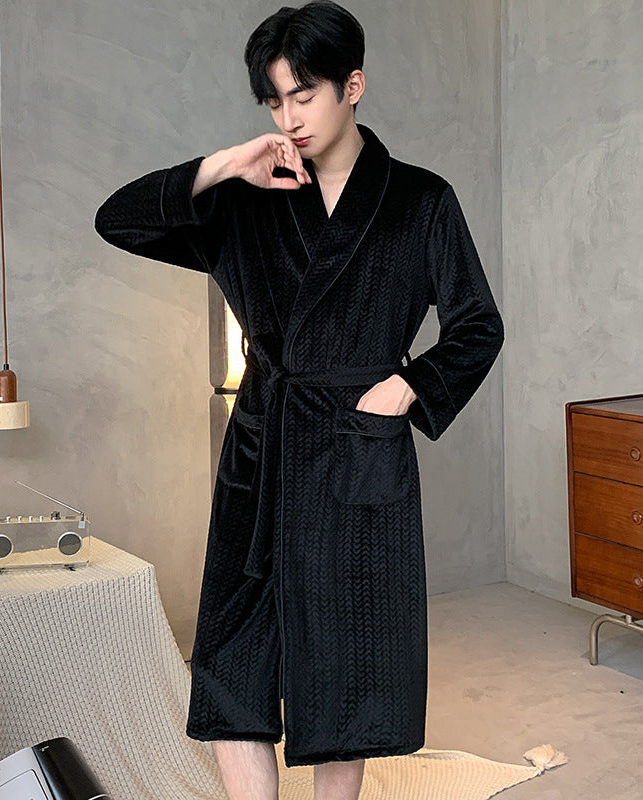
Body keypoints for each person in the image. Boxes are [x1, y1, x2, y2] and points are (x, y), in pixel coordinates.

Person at [94, 1, 504, 798]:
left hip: (355, 447)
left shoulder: (420, 201)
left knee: (346, 673)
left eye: (304, 95)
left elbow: (477, 324)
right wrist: (225, 164)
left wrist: (409, 386)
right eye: (274, 100)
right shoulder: (250, 195)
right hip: (263, 450)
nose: (289, 118)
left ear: (353, 85)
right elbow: (119, 220)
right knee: (233, 668)